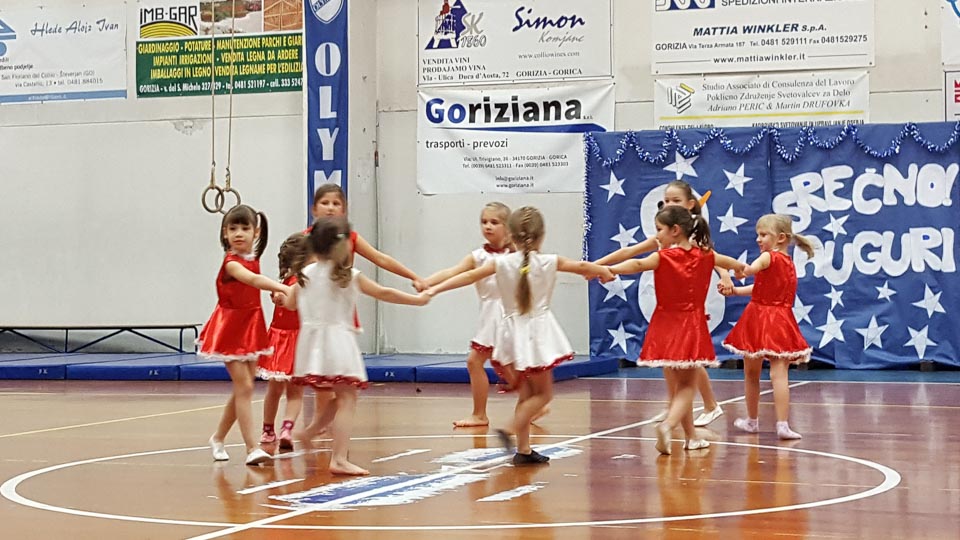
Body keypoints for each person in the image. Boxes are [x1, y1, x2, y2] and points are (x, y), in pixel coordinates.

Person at [428, 206, 613, 465]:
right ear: (541, 236)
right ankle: (509, 429)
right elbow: (582, 266)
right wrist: (603, 272)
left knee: (527, 394)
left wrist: (433, 289)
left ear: (511, 235)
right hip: (536, 335)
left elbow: (468, 276)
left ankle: (523, 450)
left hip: (509, 334)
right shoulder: (549, 261)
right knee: (543, 395)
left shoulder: (501, 263)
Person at [282, 217, 430, 475]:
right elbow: (384, 293)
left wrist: (281, 296)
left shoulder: (305, 275)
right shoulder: (348, 277)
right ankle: (338, 458)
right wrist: (417, 301)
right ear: (340, 247)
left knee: (342, 396)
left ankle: (310, 431)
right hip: (338, 342)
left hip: (312, 345)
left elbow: (291, 304)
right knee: (348, 398)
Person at [607, 205, 745, 455]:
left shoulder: (663, 257)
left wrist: (610, 270)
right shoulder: (706, 256)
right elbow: (733, 264)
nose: (656, 235)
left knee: (680, 385)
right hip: (690, 326)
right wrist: (738, 270)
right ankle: (669, 425)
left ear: (675, 230)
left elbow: (637, 264)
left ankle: (691, 437)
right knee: (687, 386)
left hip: (664, 325)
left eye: (659, 229)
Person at [298, 184, 427, 442]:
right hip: (316, 315)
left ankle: (321, 429)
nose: (330, 208)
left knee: (335, 384)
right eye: (325, 203)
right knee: (331, 385)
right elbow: (294, 278)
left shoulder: (350, 239)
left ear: (344, 209)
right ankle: (321, 430)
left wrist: (413, 276)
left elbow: (382, 259)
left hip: (336, 315)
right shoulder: (308, 241)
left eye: (336, 203)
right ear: (314, 209)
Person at [594, 180, 728, 428]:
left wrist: (726, 276)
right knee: (669, 357)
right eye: (666, 200)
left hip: (689, 305)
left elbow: (715, 259)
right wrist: (596, 266)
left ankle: (710, 405)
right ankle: (672, 404)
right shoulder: (663, 237)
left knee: (689, 358)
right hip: (669, 307)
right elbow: (629, 253)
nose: (668, 204)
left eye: (675, 201)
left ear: (690, 204)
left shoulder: (693, 237)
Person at [199, 204, 291, 466]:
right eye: (233, 228)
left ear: (256, 232)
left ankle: (218, 437)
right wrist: (282, 287)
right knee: (246, 387)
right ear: (225, 233)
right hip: (229, 328)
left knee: (243, 388)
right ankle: (252, 447)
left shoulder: (252, 258)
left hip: (250, 326)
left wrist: (277, 293)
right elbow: (252, 280)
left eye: (244, 228)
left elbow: (256, 284)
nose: (238, 233)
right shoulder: (231, 264)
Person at [420, 202, 514, 427]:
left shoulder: (516, 254)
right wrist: (426, 281)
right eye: (484, 222)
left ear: (507, 227)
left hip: (510, 314)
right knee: (498, 365)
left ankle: (486, 413)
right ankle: (530, 403)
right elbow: (453, 272)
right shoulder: (478, 256)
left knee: (480, 362)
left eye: (494, 222)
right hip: (490, 314)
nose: (488, 226)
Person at [722, 214, 815, 440]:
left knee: (752, 373)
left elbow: (748, 270)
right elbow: (761, 288)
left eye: (763, 235)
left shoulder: (767, 257)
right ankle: (781, 424)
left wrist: (732, 268)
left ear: (781, 238)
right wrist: (736, 291)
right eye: (758, 234)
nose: (758, 239)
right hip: (781, 320)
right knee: (779, 374)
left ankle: (753, 420)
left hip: (759, 318)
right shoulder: (788, 263)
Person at [256, 233, 306, 451]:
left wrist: (280, 298)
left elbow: (291, 302)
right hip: (291, 338)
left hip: (285, 337)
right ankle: (286, 427)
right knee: (294, 392)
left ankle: (268, 429)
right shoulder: (296, 282)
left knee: (274, 389)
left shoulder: (291, 282)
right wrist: (278, 297)